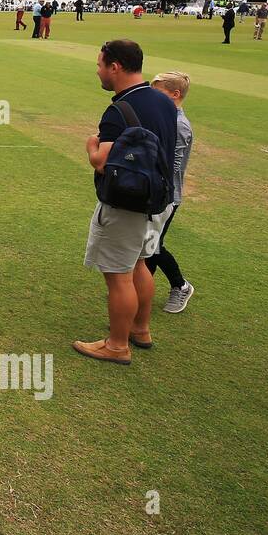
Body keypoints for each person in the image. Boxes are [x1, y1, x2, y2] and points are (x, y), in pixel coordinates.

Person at [74, 39, 177, 365]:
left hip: (126, 201)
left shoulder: (118, 111)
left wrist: (91, 145)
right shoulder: (163, 102)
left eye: (101, 65)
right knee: (140, 263)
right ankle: (140, 329)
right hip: (156, 198)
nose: (99, 71)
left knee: (118, 273)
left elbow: (102, 161)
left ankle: (117, 345)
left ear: (115, 66)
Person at [149, 71, 195, 313]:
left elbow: (170, 166)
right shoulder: (164, 118)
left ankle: (181, 285)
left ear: (175, 94)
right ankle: (138, 291)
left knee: (152, 246)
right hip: (154, 192)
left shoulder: (178, 125)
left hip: (166, 196)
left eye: (158, 92)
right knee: (146, 244)